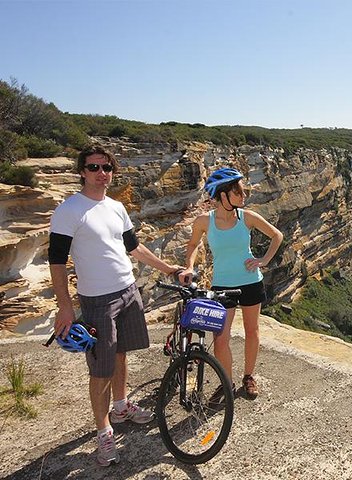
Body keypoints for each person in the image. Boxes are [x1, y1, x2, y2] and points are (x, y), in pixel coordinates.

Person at [48, 145, 184, 467]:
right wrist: (65, 307)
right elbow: (56, 261)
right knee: (100, 368)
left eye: (106, 167)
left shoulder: (116, 207)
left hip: (127, 290)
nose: (101, 173)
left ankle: (121, 406)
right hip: (96, 300)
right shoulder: (69, 210)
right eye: (94, 167)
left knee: (120, 352)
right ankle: (103, 431)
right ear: (82, 171)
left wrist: (170, 270)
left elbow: (133, 248)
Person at [179, 167, 283, 400]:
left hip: (250, 283)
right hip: (222, 286)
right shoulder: (205, 221)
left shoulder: (247, 217)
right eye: (238, 191)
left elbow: (277, 235)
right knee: (220, 339)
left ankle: (248, 376)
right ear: (223, 195)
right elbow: (193, 245)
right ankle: (226, 382)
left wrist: (263, 260)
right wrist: (189, 266)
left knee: (252, 331)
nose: (243, 195)